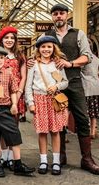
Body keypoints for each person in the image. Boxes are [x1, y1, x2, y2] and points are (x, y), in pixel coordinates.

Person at [27, 4, 99, 175]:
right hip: (53, 87)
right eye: (55, 14)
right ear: (52, 17)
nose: (58, 16)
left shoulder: (78, 34)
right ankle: (59, 156)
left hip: (75, 82)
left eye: (61, 13)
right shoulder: (46, 35)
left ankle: (87, 159)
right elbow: (37, 55)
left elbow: (87, 56)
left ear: (67, 15)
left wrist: (71, 63)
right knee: (58, 122)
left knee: (82, 119)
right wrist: (31, 62)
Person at [0, 46, 35, 177]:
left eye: (1, 58)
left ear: (5, 59)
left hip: (5, 108)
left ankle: (18, 164)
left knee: (14, 135)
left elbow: (13, 90)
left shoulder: (9, 73)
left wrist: (14, 104)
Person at [25, 36, 69, 175]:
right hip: (39, 100)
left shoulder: (57, 64)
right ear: (38, 49)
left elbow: (65, 82)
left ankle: (56, 161)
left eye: (49, 47)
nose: (46, 49)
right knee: (42, 132)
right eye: (43, 47)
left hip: (54, 100)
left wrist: (56, 86)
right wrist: (30, 103)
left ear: (53, 48)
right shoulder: (34, 65)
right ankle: (43, 160)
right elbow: (28, 86)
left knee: (55, 131)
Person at [0, 26, 27, 170]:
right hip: (1, 97)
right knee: (2, 128)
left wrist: (19, 92)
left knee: (13, 128)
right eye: (6, 38)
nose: (9, 40)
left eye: (12, 38)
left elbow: (23, 76)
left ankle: (11, 156)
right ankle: (4, 157)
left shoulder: (20, 56)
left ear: (15, 40)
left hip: (17, 97)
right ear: (1, 39)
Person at [81, 53, 99, 139]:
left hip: (86, 87)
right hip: (96, 87)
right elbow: (98, 72)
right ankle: (93, 132)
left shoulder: (83, 58)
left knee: (85, 111)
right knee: (94, 113)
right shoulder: (97, 60)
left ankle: (87, 130)